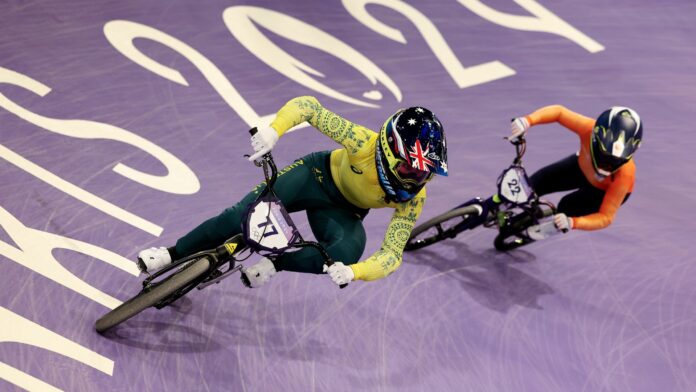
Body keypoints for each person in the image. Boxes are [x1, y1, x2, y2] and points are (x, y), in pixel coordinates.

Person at [137, 96, 448, 287]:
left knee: (346, 252)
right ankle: (170, 255)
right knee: (238, 216)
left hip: (343, 210)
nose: (416, 180)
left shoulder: (415, 198)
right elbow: (309, 108)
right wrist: (274, 131)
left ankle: (276, 263)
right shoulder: (362, 142)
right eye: (411, 168)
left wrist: (356, 272)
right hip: (313, 176)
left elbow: (392, 255)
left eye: (425, 173)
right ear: (388, 151)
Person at [507, 105, 643, 237]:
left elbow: (606, 217)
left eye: (617, 160)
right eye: (604, 155)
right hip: (581, 168)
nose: (608, 165)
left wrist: (573, 222)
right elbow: (559, 113)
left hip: (601, 192)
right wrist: (527, 120)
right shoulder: (588, 128)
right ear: (595, 138)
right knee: (533, 184)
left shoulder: (625, 175)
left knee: (567, 208)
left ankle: (553, 223)